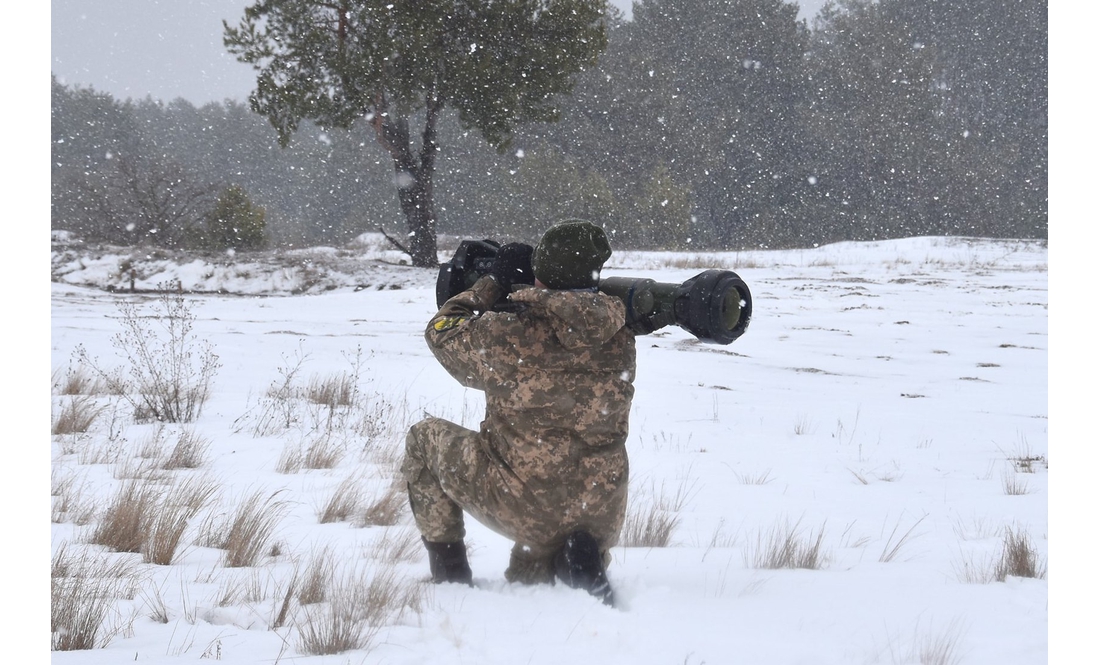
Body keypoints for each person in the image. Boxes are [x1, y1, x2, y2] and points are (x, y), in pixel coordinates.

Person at [402, 219, 636, 606]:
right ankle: (573, 560)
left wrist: (492, 283)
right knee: (532, 571)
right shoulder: (620, 334)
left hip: (528, 504)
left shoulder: (507, 335)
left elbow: (441, 331)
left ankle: (450, 575)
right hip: (601, 511)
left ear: (540, 271)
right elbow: (576, 318)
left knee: (423, 437)